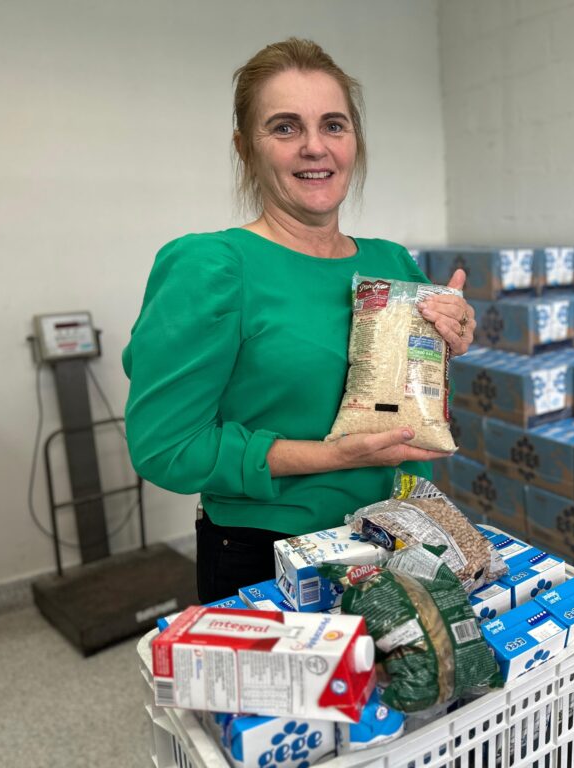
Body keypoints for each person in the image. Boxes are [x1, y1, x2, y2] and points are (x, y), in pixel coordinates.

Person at [123, 38, 476, 602]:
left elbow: (407, 395)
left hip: (397, 531)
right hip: (269, 555)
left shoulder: (391, 260)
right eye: (285, 127)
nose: (316, 147)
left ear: (354, 141)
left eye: (334, 125)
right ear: (245, 148)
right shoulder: (212, 266)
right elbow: (167, 449)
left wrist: (452, 339)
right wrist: (334, 457)